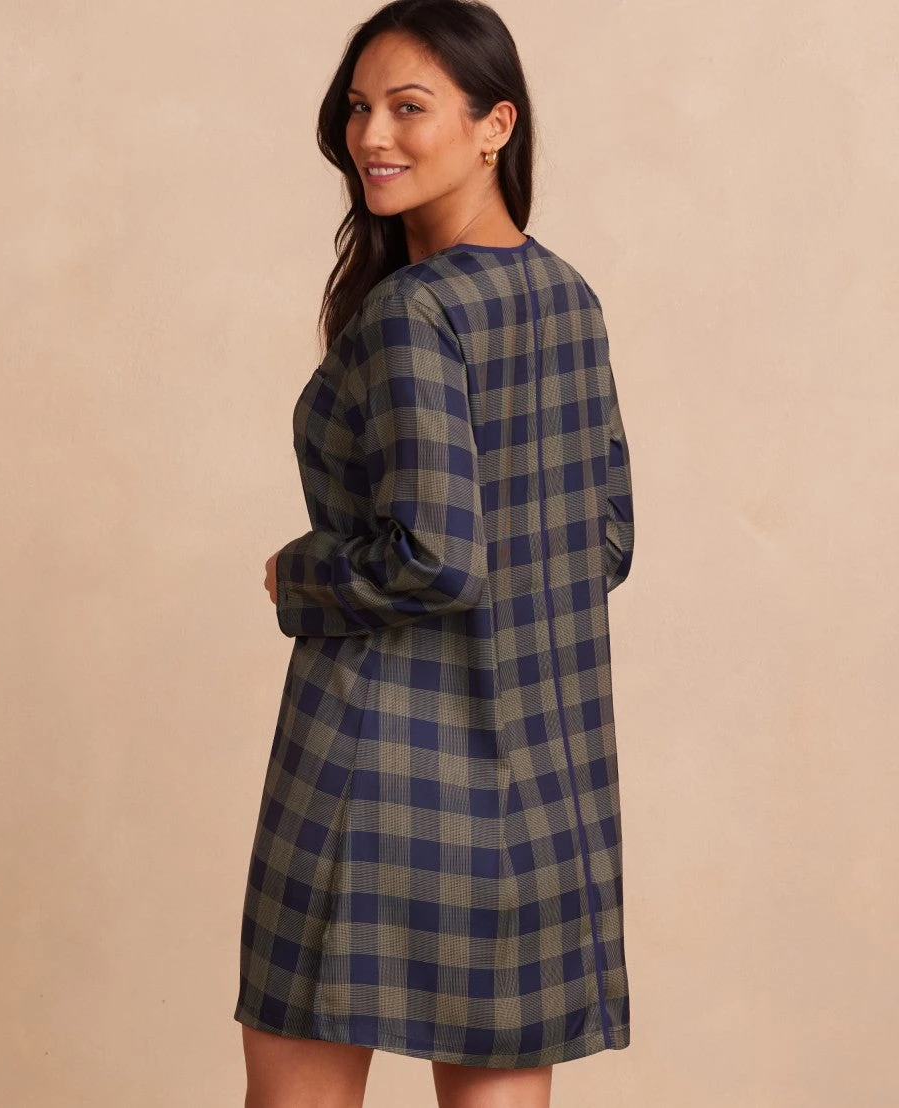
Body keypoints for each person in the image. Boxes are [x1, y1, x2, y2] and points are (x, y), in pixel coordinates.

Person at [234, 1, 636, 1105]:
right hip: (538, 788)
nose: (372, 135)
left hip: (369, 778)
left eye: (409, 107)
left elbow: (436, 558)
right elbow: (605, 539)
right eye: (360, 107)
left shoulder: (413, 311)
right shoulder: (567, 296)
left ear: (495, 124)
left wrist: (300, 572)